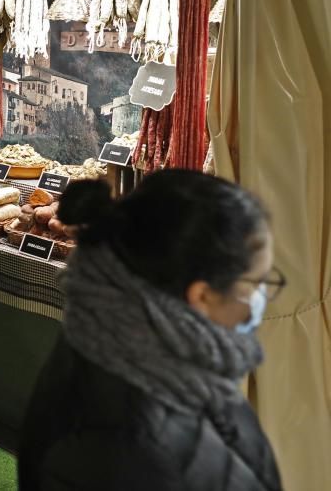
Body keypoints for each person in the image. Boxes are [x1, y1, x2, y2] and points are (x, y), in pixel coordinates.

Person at [17, 171, 283, 491]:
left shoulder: (116, 342)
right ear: (201, 296)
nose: (260, 298)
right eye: (255, 284)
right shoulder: (126, 452)